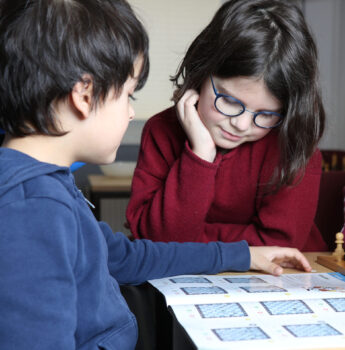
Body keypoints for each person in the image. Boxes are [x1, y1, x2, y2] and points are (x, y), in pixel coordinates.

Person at [0, 1, 312, 349]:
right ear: (84, 96)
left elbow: (127, 256)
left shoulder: (48, 188)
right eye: (129, 95)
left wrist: (242, 255)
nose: (132, 113)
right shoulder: (33, 207)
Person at [126, 0, 328, 252]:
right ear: (201, 72)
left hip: (286, 283)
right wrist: (200, 155)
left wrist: (193, 242)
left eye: (266, 114)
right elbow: (156, 242)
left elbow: (279, 246)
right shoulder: (161, 131)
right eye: (230, 101)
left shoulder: (293, 143)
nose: (241, 125)